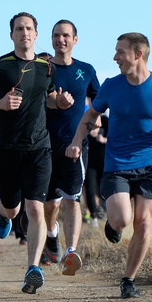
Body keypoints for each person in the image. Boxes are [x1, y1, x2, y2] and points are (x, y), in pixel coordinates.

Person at [66, 32, 152, 299]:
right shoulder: (112, 86)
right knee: (122, 219)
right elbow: (91, 115)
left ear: (138, 54)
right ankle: (112, 225)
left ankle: (128, 279)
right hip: (117, 164)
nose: (115, 57)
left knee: (144, 223)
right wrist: (77, 139)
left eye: (120, 52)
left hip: (150, 164)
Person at [0, 12, 71, 294]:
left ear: (36, 34)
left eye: (29, 28)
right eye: (18, 29)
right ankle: (3, 215)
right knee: (12, 207)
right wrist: (0, 103)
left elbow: (48, 98)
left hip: (39, 147)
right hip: (4, 148)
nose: (24, 33)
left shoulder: (47, 67)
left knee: (35, 207)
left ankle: (32, 268)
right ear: (11, 34)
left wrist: (60, 102)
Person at [42, 20, 100, 274]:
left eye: (66, 35)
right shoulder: (42, 68)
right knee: (50, 204)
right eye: (56, 35)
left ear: (75, 39)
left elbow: (99, 103)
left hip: (76, 144)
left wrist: (92, 123)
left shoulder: (86, 70)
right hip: (44, 144)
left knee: (72, 199)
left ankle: (71, 251)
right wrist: (54, 101)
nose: (60, 40)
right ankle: (52, 234)